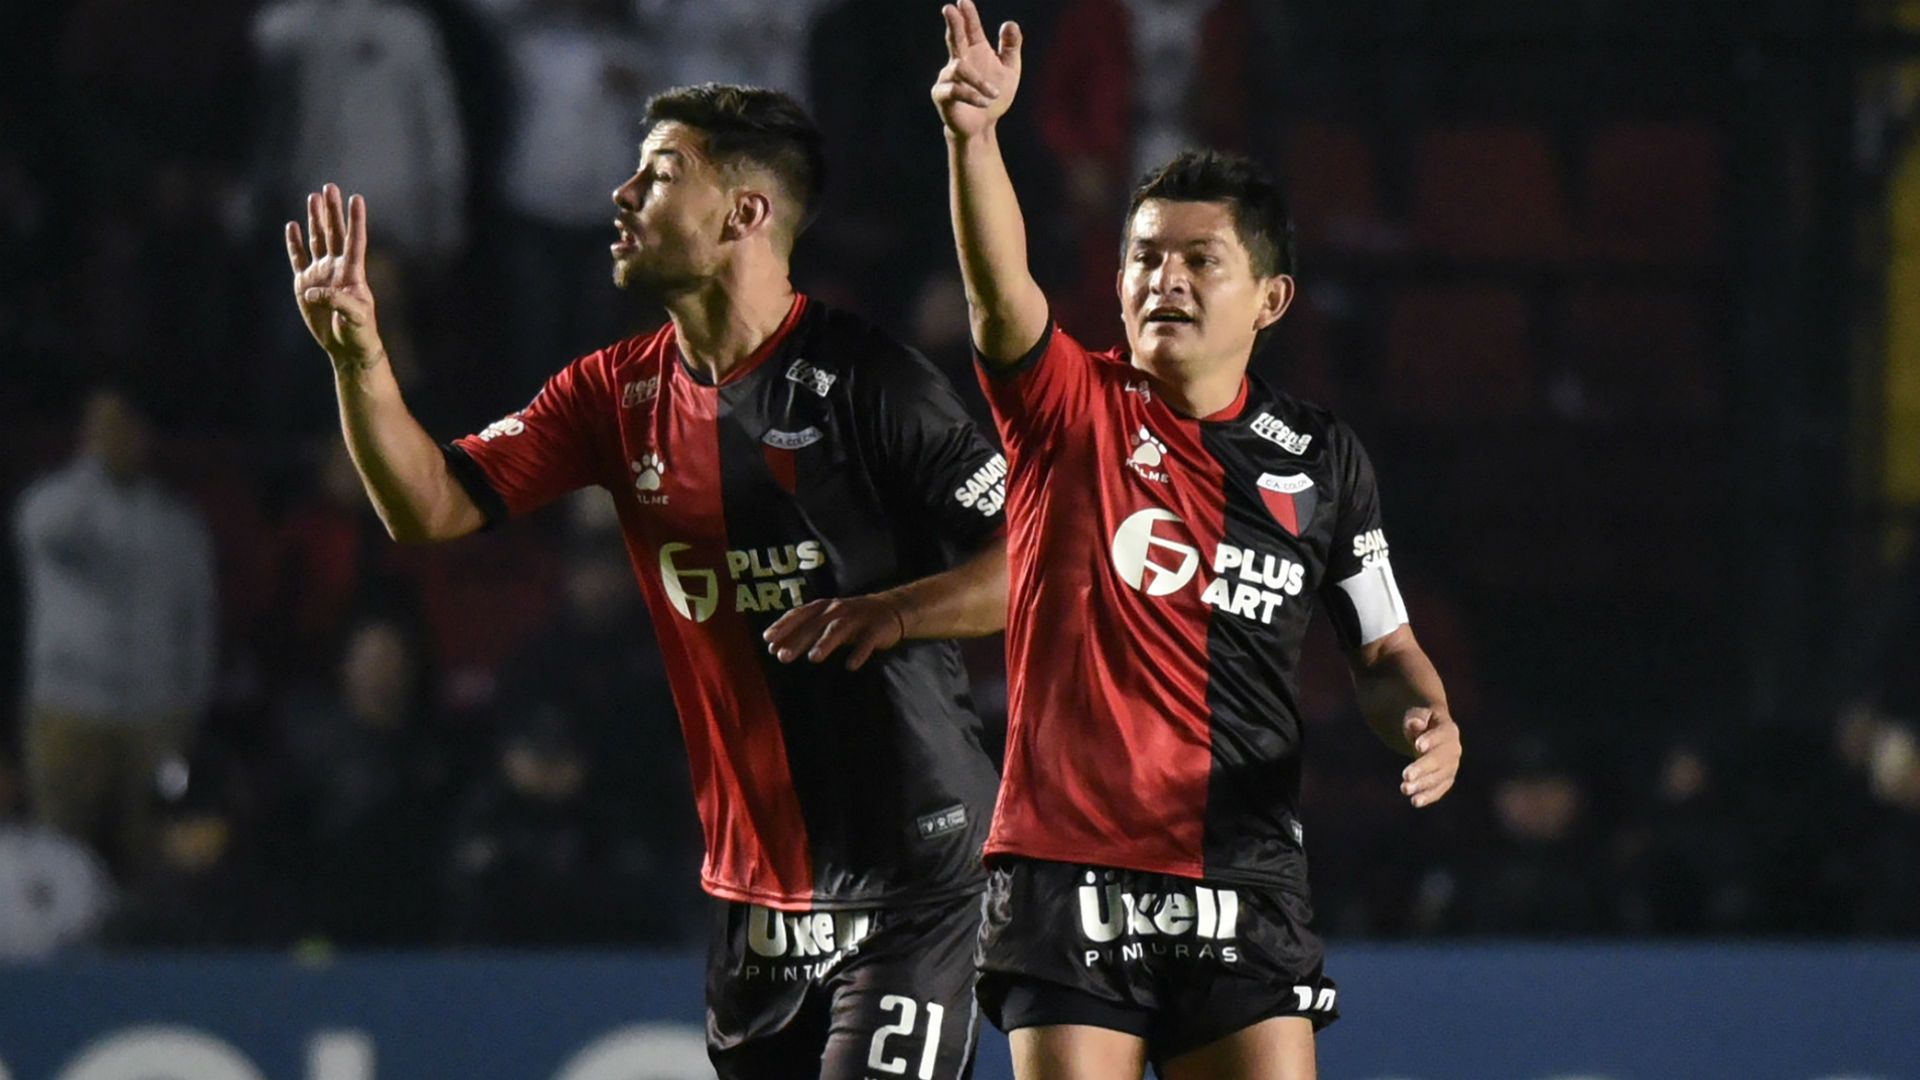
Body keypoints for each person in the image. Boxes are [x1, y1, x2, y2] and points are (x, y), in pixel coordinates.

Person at [285, 83, 1007, 1078]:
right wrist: (360, 361)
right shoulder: (611, 394)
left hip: (911, 875)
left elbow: (1039, 564)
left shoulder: (869, 382)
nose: (621, 193)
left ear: (744, 215)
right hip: (752, 897)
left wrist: (896, 611)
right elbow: (428, 507)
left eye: (661, 174)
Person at [931, 4, 1464, 1078]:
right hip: (1067, 869)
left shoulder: (1319, 460)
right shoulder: (1070, 407)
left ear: (1270, 297)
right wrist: (975, 138)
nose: (1162, 278)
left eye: (1198, 260)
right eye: (1142, 257)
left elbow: (1380, 648)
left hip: (1246, 874)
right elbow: (1000, 296)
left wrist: (1427, 714)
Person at [12, 388, 218, 884]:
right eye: (103, 427)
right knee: (59, 850)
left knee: (155, 847)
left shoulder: (175, 522)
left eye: (125, 428)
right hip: (67, 711)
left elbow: (198, 620)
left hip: (155, 715)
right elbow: (38, 532)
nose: (116, 439)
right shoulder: (56, 501)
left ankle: (148, 949)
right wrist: (92, 469)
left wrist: (190, 703)